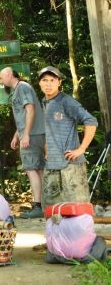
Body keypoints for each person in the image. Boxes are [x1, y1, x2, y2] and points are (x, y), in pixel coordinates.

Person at [37, 66, 98, 206]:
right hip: (52, 165)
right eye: (44, 80)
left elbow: (91, 121)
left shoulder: (66, 101)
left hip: (70, 165)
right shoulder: (44, 102)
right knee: (52, 212)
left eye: (52, 80)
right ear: (39, 83)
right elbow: (50, 129)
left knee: (77, 210)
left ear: (59, 82)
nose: (48, 84)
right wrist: (47, 150)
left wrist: (82, 148)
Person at [0, 66, 46, 218]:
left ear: (9, 74)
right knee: (38, 169)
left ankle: (37, 206)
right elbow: (23, 115)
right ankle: (45, 205)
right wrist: (17, 135)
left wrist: (25, 135)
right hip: (34, 133)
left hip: (32, 135)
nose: (0, 81)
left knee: (31, 168)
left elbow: (30, 110)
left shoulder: (22, 87)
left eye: (1, 77)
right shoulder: (19, 89)